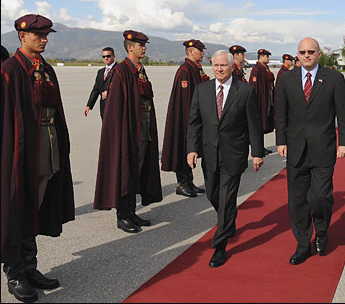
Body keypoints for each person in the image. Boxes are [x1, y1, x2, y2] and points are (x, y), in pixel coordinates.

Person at [1, 14, 75, 302]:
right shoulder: (10, 70)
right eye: (39, 35)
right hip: (21, 151)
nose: (44, 39)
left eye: (46, 35)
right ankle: (15, 272)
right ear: (22, 36)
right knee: (17, 208)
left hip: (46, 147)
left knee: (34, 206)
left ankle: (30, 266)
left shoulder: (44, 69)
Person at [276, 37, 345, 265]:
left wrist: (344, 142)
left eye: (311, 51)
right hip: (296, 148)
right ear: (297, 55)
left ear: (319, 54)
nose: (306, 55)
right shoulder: (286, 79)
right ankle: (302, 244)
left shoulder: (334, 78)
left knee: (320, 197)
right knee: (297, 200)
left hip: (324, 148)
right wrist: (281, 140)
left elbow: (343, 113)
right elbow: (280, 113)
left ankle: (321, 231)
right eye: (302, 52)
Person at [186, 50, 264, 267]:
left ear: (232, 67)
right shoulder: (202, 90)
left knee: (227, 198)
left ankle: (219, 247)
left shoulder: (246, 91)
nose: (219, 69)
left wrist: (257, 153)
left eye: (223, 65)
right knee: (213, 194)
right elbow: (194, 122)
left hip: (234, 154)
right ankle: (228, 219)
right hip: (209, 153)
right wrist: (191, 149)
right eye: (216, 65)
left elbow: (254, 125)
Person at [94, 30, 162, 234]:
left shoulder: (139, 69)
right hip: (130, 133)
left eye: (144, 44)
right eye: (140, 45)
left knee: (137, 172)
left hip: (143, 130)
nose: (144, 47)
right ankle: (122, 215)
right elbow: (115, 107)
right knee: (126, 173)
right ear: (129, 47)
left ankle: (131, 212)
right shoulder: (122, 71)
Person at [161, 39, 210, 197]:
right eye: (199, 50)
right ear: (190, 52)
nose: (202, 53)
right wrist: (192, 119)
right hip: (185, 119)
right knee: (183, 149)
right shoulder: (185, 70)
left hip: (194, 118)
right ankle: (182, 183)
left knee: (191, 149)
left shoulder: (196, 68)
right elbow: (185, 99)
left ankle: (189, 181)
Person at [249, 49, 275, 155]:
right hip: (259, 103)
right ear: (261, 57)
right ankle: (258, 148)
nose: (268, 58)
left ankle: (261, 147)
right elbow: (254, 88)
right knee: (258, 127)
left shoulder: (264, 69)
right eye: (267, 56)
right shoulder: (256, 70)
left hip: (265, 101)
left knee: (263, 125)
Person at [84, 47, 116, 119]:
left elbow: (123, 88)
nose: (106, 58)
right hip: (104, 108)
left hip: (116, 108)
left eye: (108, 56)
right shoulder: (100, 72)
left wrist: (110, 93)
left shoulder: (119, 70)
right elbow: (96, 90)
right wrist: (89, 105)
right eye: (103, 56)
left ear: (113, 56)